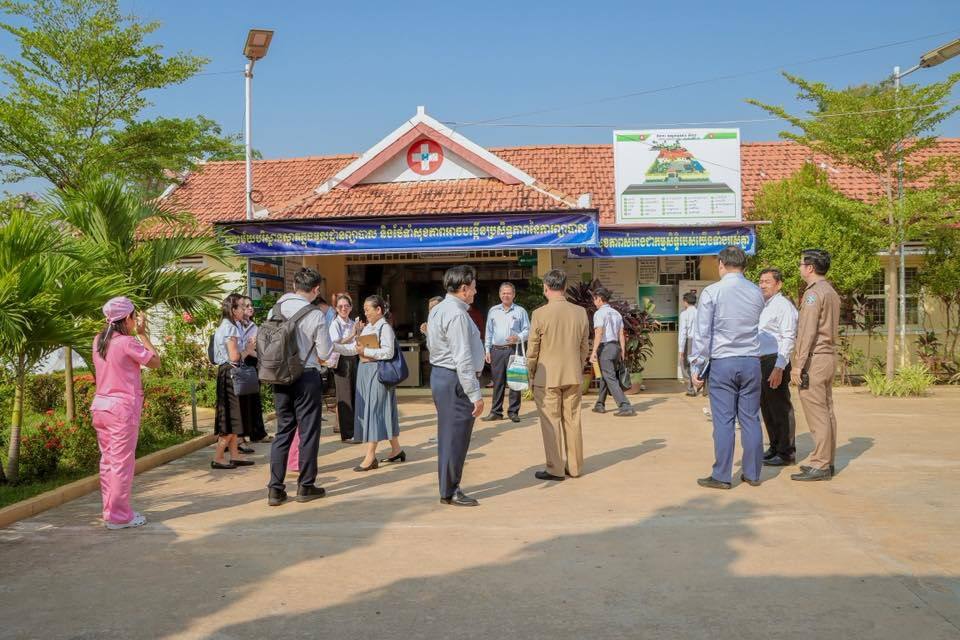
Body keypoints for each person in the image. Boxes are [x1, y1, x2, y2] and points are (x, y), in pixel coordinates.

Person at [690, 246, 765, 490]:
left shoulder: (712, 292)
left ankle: (722, 475)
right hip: (751, 361)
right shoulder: (756, 292)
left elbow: (703, 333)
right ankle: (753, 473)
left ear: (721, 264)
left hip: (723, 362)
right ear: (744, 266)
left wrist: (697, 365)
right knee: (751, 419)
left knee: (724, 421)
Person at [90, 297, 161, 529]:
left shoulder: (99, 340)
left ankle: (111, 511)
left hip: (101, 407)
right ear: (127, 318)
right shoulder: (127, 342)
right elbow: (155, 362)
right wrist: (143, 334)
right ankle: (120, 517)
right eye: (133, 316)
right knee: (122, 464)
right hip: (121, 410)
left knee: (108, 462)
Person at [267, 267, 332, 506]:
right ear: (316, 290)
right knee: (308, 432)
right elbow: (325, 351)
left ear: (294, 286)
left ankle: (275, 489)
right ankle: (305, 486)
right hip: (306, 377)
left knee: (283, 431)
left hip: (279, 376)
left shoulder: (275, 309)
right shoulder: (315, 315)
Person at [427, 265, 486, 506]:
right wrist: (475, 394)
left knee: (449, 435)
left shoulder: (439, 309)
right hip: (455, 379)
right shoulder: (457, 315)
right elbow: (462, 357)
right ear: (463, 288)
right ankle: (450, 490)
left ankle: (448, 485)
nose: (475, 291)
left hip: (443, 376)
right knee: (456, 437)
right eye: (473, 287)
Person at [527, 269, 591, 481]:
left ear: (546, 287)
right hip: (572, 375)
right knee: (573, 421)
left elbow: (533, 349)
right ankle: (575, 467)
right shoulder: (580, 312)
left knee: (551, 422)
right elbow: (584, 346)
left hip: (547, 378)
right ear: (564, 287)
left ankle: (555, 468)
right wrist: (577, 366)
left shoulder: (539, 314)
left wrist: (531, 373)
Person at [790, 249, 841, 482]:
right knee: (827, 411)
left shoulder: (813, 294)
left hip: (815, 358)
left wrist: (798, 365)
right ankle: (826, 461)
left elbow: (808, 331)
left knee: (817, 413)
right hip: (828, 356)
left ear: (810, 268)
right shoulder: (830, 291)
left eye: (801, 264)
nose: (799, 268)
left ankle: (820, 464)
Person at [348, 295, 405, 471]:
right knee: (383, 410)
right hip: (366, 372)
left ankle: (371, 456)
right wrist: (334, 347)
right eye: (364, 309)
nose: (365, 313)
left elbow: (388, 352)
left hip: (377, 373)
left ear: (378, 310)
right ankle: (396, 449)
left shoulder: (385, 328)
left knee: (374, 411)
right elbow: (356, 348)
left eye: (367, 309)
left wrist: (366, 351)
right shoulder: (368, 328)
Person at [757, 268, 799, 467]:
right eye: (761, 281)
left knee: (780, 407)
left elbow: (788, 337)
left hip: (775, 360)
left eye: (767, 281)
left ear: (779, 284)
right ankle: (774, 446)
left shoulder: (783, 305)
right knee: (767, 407)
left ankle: (786, 452)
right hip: (761, 360)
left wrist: (779, 367)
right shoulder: (764, 305)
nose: (763, 285)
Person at [212, 293, 256, 470]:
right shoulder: (230, 329)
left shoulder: (227, 325)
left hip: (227, 373)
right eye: (241, 307)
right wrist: (248, 349)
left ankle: (235, 454)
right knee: (231, 417)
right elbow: (234, 357)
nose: (244, 310)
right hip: (231, 374)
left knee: (235, 416)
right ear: (233, 309)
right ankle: (218, 456)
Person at [482, 282, 530, 423]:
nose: (506, 295)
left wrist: (518, 337)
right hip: (496, 350)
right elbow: (489, 332)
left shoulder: (520, 311)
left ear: (514, 295)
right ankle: (496, 412)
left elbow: (528, 330)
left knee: (515, 381)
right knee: (498, 382)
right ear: (499, 294)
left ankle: (513, 412)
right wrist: (487, 350)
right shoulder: (493, 311)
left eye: (508, 293)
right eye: (503, 293)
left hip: (513, 349)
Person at [590, 287, 635, 417]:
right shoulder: (616, 313)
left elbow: (599, 333)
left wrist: (593, 351)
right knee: (606, 376)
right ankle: (600, 404)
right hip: (616, 348)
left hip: (605, 349)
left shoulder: (599, 313)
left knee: (610, 377)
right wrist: (623, 351)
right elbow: (621, 334)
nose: (594, 302)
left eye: (594, 299)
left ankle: (625, 406)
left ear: (599, 299)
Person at [328, 293, 359, 443]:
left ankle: (355, 430)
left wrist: (359, 334)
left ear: (351, 308)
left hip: (353, 359)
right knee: (344, 397)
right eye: (340, 306)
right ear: (336, 308)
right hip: (341, 362)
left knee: (354, 395)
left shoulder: (353, 323)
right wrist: (352, 335)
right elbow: (335, 343)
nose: (343, 309)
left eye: (346, 306)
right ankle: (347, 434)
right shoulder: (335, 324)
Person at [238, 295, 269, 444]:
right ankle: (241, 434)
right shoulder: (236, 326)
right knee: (241, 400)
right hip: (240, 363)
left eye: (251, 305)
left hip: (252, 364)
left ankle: (257, 432)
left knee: (254, 399)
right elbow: (245, 348)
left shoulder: (253, 326)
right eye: (247, 306)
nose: (250, 308)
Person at [678, 292, 699, 396]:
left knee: (685, 364)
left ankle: (690, 388)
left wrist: (681, 350)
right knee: (698, 363)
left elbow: (683, 332)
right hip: (699, 340)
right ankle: (702, 387)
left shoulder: (684, 314)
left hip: (689, 340)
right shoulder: (700, 313)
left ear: (685, 301)